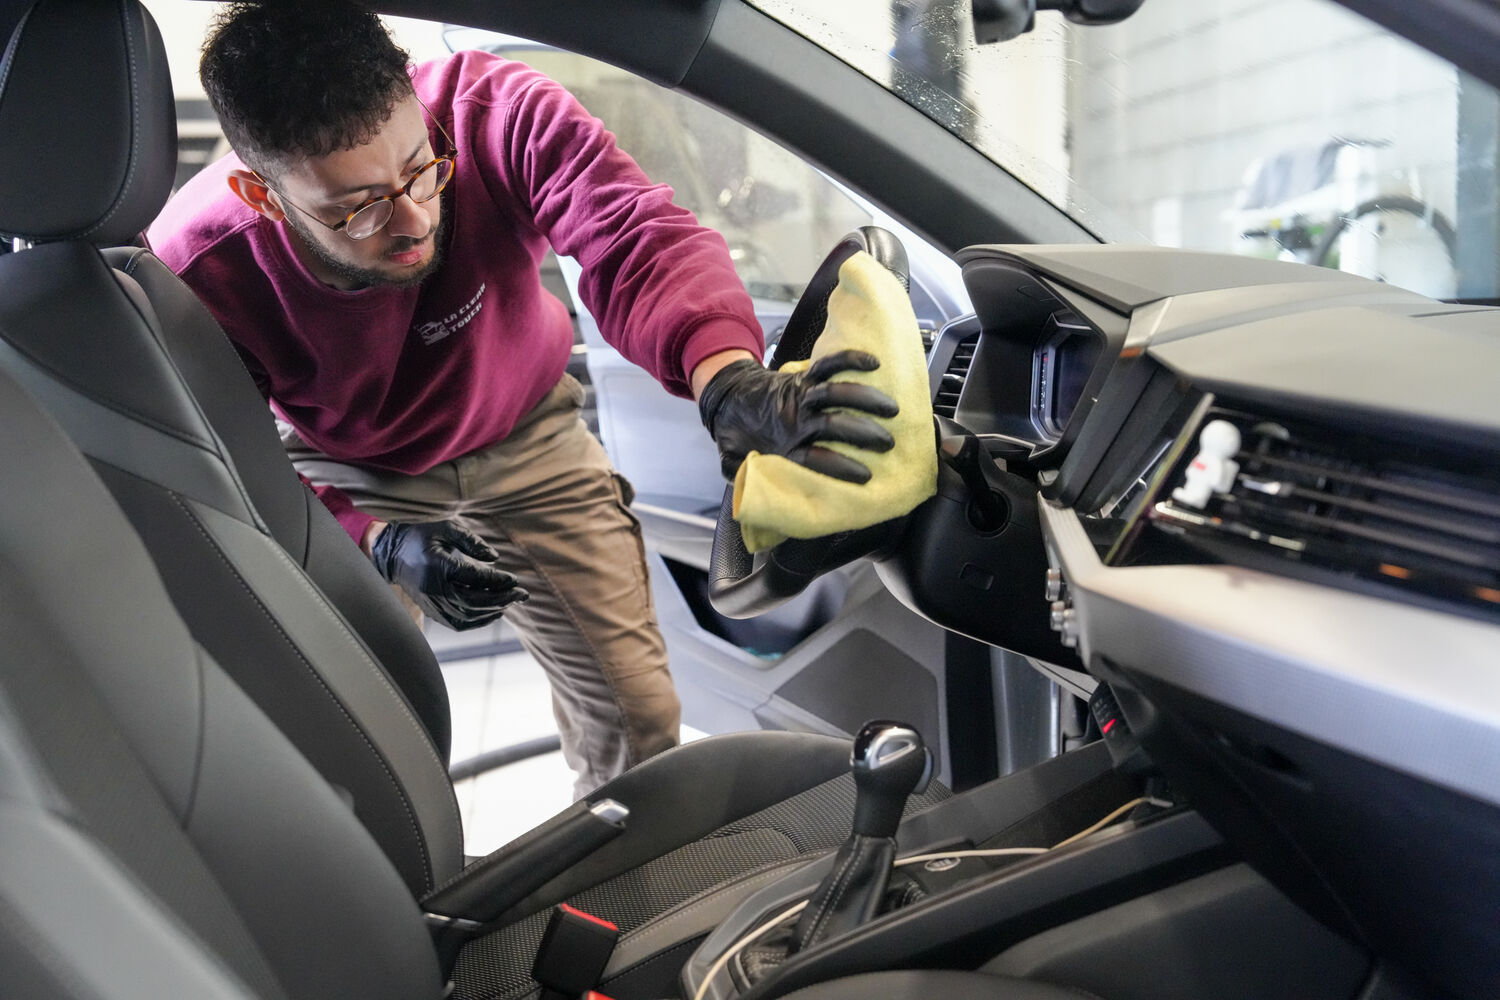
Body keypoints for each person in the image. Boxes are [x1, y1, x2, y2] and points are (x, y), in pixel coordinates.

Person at [149, 1, 898, 796]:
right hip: (344, 464)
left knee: (637, 718)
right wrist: (375, 543)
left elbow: (634, 236)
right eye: (356, 207)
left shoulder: (496, 112)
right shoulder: (199, 270)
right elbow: (230, 458)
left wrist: (727, 379)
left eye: (420, 169)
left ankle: (611, 898)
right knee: (366, 734)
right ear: (261, 194)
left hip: (524, 428)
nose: (413, 220)